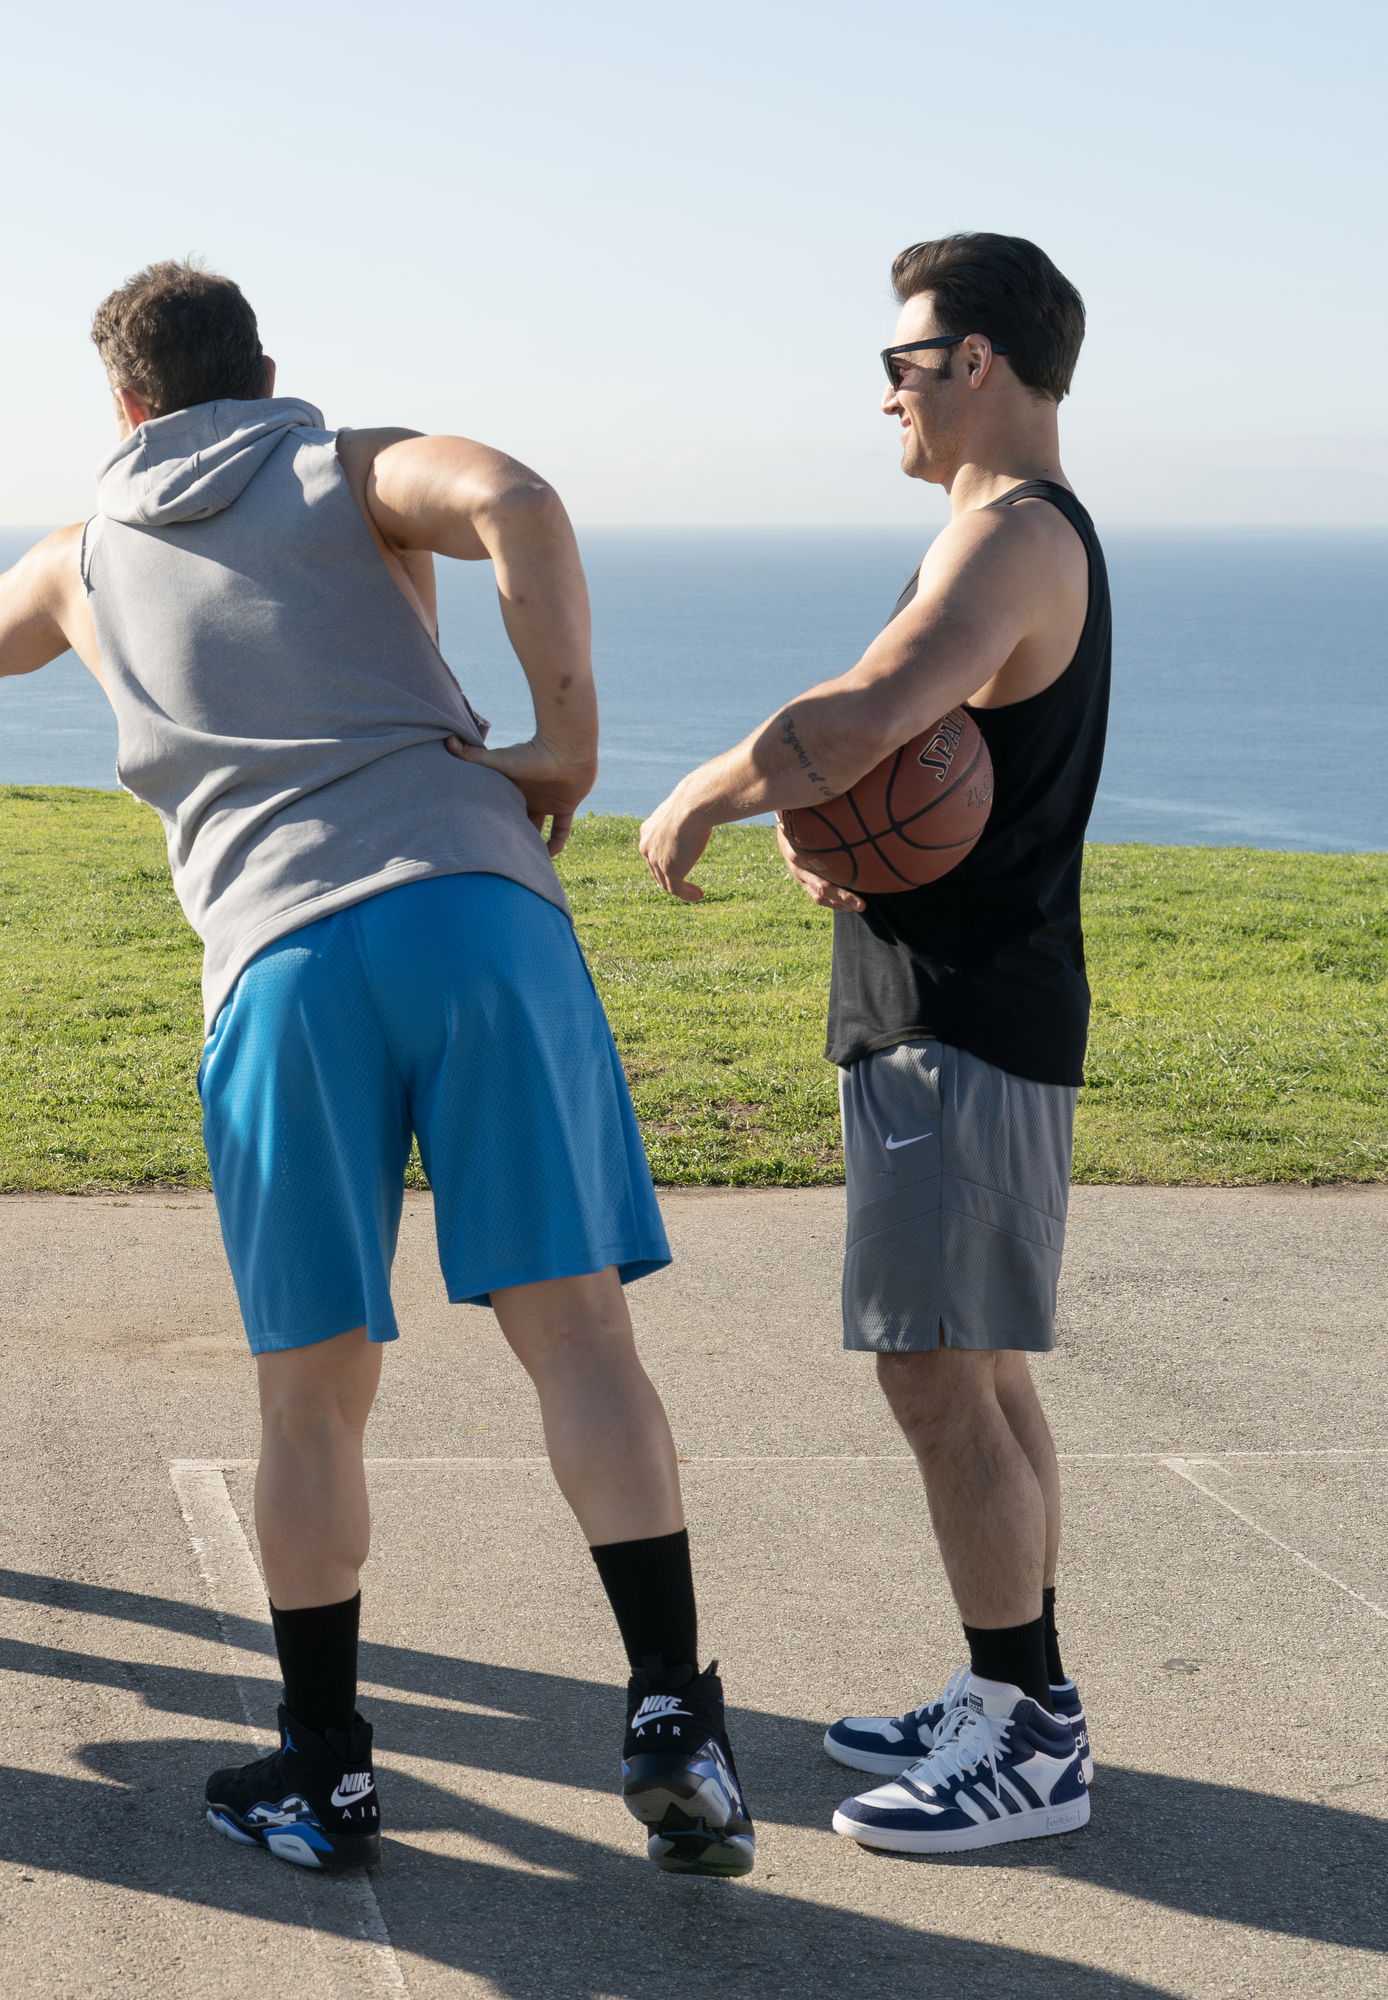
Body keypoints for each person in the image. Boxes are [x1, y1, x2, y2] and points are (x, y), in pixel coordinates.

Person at [0, 262, 749, 1878]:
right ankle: (674, 1713)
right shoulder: (346, 466)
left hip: (282, 961)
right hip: (477, 912)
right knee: (580, 1340)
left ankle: (326, 1770)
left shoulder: (80, 556)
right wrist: (568, 737)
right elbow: (519, 494)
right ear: (266, 373)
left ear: (121, 405)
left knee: (311, 1396)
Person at [638, 233, 1102, 1853]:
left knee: (933, 1375)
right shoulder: (997, 536)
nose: (886, 399)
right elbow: (887, 744)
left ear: (977, 363)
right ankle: (1012, 1696)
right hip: (963, 1005)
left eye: (900, 367)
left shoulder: (1013, 540)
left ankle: (1027, 1739)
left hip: (964, 1019)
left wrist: (708, 789)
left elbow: (872, 710)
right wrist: (829, 819)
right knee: (977, 1365)